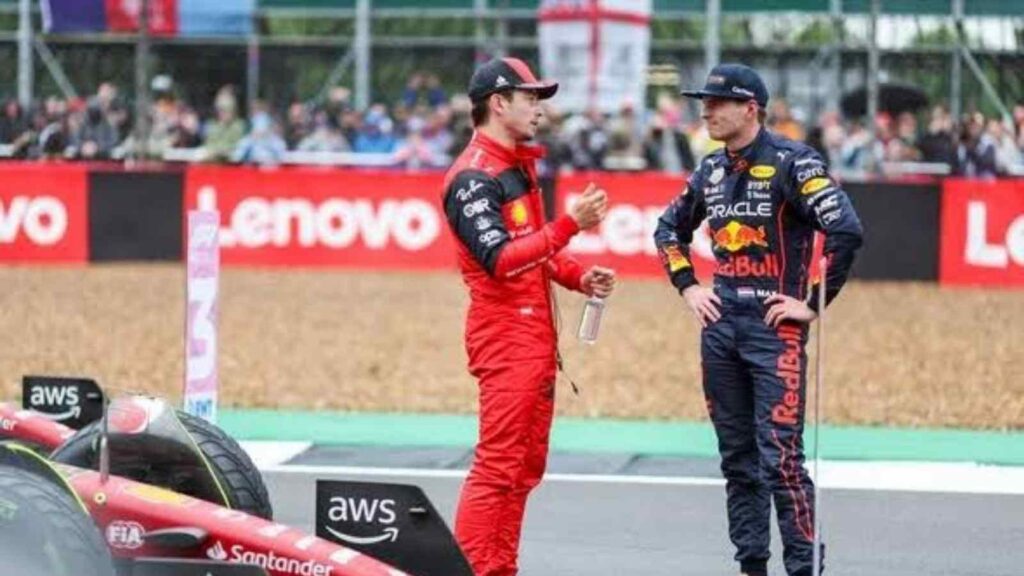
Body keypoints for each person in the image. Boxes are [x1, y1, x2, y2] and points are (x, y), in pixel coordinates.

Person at [653, 63, 864, 576]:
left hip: (776, 330)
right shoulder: (709, 169)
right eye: (703, 100)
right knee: (738, 463)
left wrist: (812, 303)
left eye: (718, 102)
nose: (706, 110)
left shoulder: (794, 161)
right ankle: (751, 566)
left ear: (751, 108)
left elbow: (846, 230)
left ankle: (802, 568)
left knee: (781, 462)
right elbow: (667, 231)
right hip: (721, 327)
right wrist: (689, 287)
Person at [441, 56, 616, 576]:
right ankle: (476, 569)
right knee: (498, 467)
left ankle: (500, 568)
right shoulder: (474, 177)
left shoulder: (516, 164)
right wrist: (570, 226)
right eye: (530, 97)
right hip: (505, 335)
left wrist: (579, 276)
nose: (539, 109)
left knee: (523, 469)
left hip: (534, 334)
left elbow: (532, 252)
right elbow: (499, 260)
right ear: (499, 103)